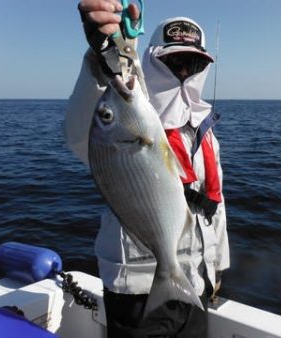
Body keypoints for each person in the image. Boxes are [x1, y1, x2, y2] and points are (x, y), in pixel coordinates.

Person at [64, 1, 230, 337]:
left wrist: (214, 269)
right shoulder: (135, 114)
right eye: (174, 61)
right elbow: (82, 133)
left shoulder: (201, 131)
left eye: (193, 62)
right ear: (153, 60)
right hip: (136, 294)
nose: (184, 71)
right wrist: (106, 59)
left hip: (193, 284)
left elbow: (215, 208)